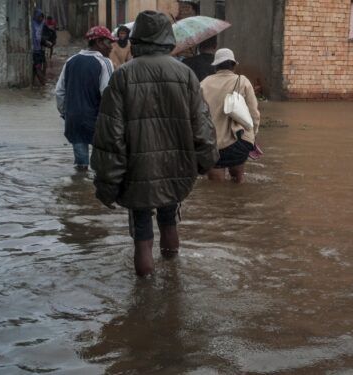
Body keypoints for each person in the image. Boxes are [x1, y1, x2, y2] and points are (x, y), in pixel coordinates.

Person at [91, 10, 218, 277]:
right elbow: (203, 126)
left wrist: (107, 183)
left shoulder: (122, 77)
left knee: (141, 231)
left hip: (138, 171)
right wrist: (204, 163)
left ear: (136, 39)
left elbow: (109, 137)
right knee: (169, 219)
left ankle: (144, 301)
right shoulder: (185, 75)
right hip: (176, 168)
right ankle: (173, 285)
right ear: (167, 39)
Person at [55, 26, 116, 172]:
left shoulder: (71, 61)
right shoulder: (104, 62)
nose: (111, 48)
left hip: (74, 120)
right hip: (96, 120)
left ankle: (78, 187)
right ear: (100, 42)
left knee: (81, 166)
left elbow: (59, 92)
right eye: (109, 43)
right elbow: (108, 94)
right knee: (103, 165)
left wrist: (65, 114)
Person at [200, 48, 260, 183]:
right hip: (239, 142)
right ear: (233, 65)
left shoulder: (204, 84)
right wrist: (254, 135)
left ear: (216, 66)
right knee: (237, 181)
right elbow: (254, 114)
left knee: (215, 188)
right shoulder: (243, 81)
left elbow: (196, 115)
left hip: (213, 144)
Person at [31, 9, 49, 86]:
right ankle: (43, 84)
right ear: (36, 16)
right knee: (37, 67)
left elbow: (41, 36)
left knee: (39, 67)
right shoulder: (32, 24)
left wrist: (45, 42)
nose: (41, 18)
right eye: (39, 17)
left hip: (40, 49)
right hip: (34, 50)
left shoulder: (42, 24)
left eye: (42, 17)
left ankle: (34, 83)